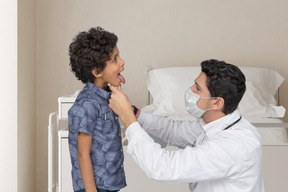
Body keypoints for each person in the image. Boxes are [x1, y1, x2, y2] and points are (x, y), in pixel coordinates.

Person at [109, 59, 264, 192]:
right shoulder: (214, 122)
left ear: (217, 102)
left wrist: (128, 119)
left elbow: (164, 167)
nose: (190, 89)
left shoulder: (234, 145)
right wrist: (134, 112)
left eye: (197, 88)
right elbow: (174, 131)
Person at [68, 27, 127, 192]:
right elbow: (82, 154)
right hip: (95, 187)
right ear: (97, 71)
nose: (122, 62)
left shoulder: (107, 97)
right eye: (115, 59)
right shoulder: (87, 106)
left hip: (109, 183)